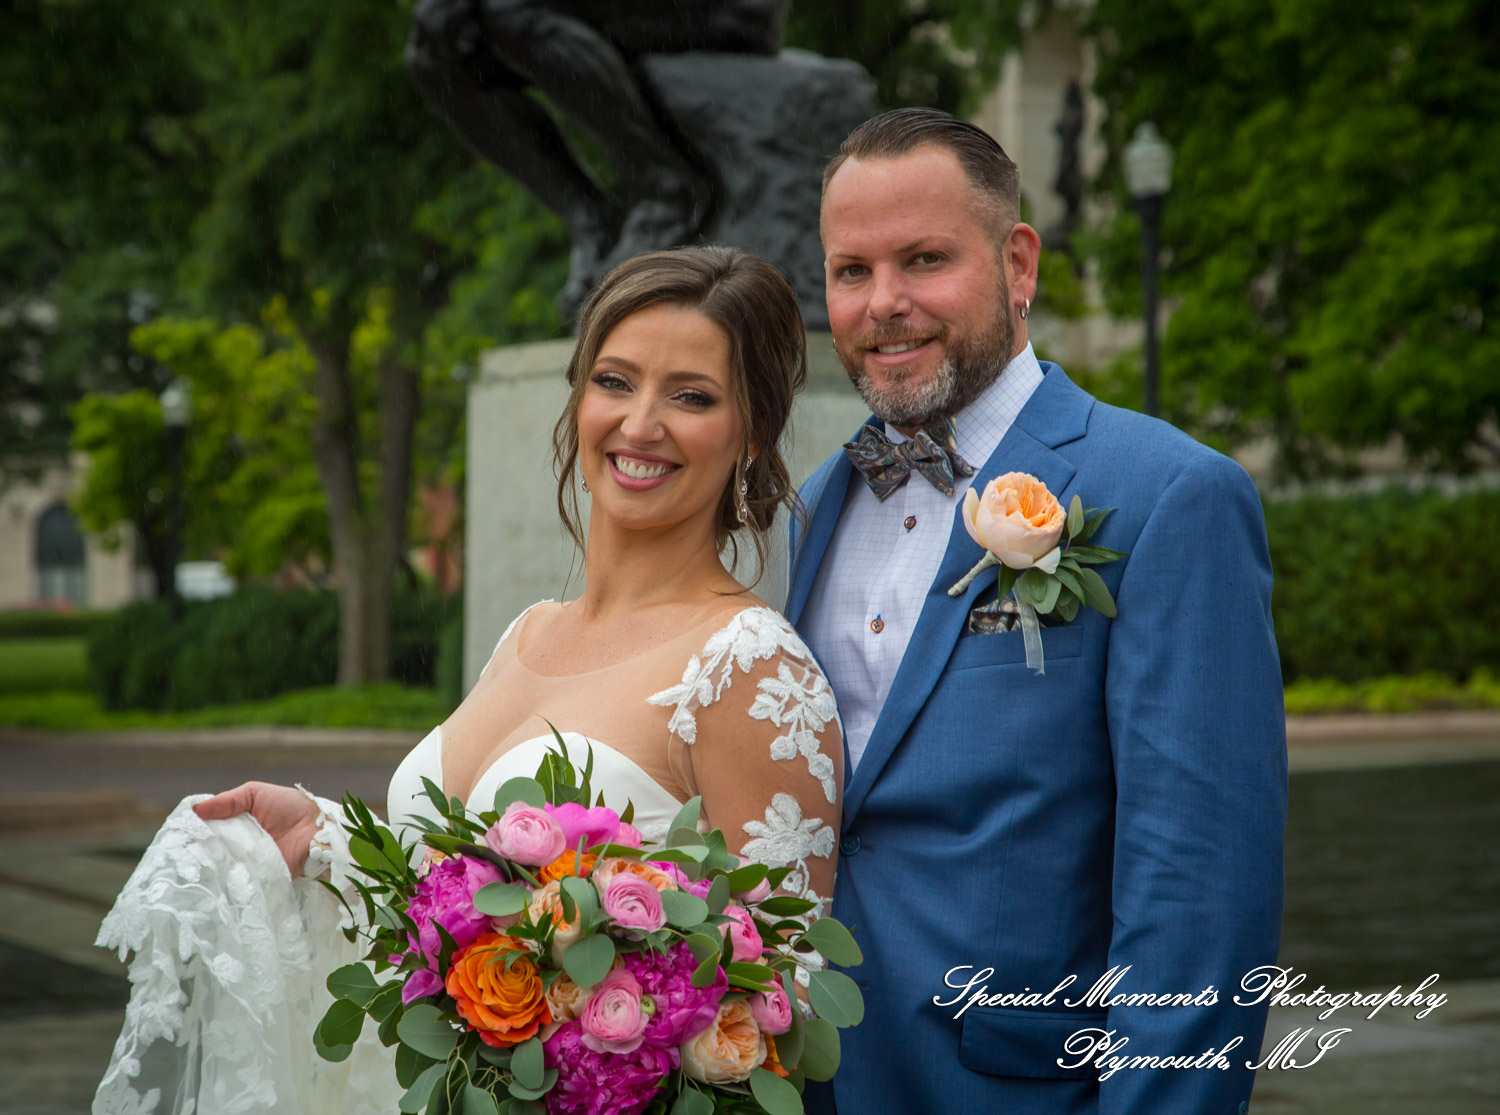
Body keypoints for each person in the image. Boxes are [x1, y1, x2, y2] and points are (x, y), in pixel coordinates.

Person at [93, 246, 843, 1115]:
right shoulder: (529, 631)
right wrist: (331, 842)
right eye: (614, 381)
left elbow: (777, 1009)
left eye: (692, 396)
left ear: (752, 433)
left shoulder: (751, 667)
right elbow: (456, 904)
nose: (641, 423)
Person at [789, 109, 1287, 1114]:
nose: (883, 303)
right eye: (851, 271)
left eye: (924, 259)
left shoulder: (1168, 496)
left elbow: (1198, 898)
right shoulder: (808, 511)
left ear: (1018, 264)